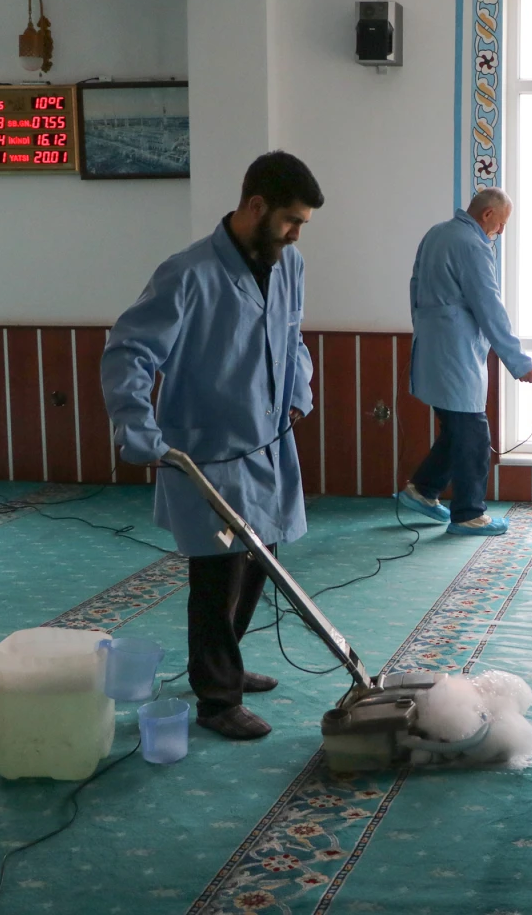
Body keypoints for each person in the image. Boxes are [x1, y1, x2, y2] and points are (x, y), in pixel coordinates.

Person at [101, 150, 321, 741]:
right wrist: (138, 428)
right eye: (290, 219)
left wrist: (299, 387)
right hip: (208, 455)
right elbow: (129, 352)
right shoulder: (188, 274)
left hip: (268, 444)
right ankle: (217, 699)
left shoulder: (289, 264)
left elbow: (293, 334)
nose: (297, 233)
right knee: (217, 575)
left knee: (258, 561)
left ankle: (226, 662)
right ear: (256, 206)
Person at [397, 186, 532, 535]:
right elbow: (488, 306)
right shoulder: (472, 245)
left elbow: (414, 287)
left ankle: (422, 490)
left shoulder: (437, 233)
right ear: (488, 215)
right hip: (455, 349)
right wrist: (518, 362)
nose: (501, 232)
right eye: (502, 223)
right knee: (474, 432)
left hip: (432, 343)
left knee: (456, 428)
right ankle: (468, 514)